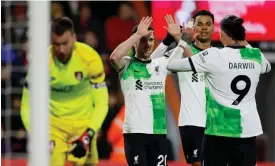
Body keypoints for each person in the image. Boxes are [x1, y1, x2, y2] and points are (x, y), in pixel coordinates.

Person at [166, 15, 271, 166]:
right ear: (241, 35)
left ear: (222, 34)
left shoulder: (214, 55)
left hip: (218, 131)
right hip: (246, 130)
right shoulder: (255, 55)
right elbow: (266, 68)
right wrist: (244, 41)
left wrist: (182, 41)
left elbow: (171, 65)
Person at [20, 17, 109, 166]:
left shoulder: (89, 58)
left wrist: (89, 134)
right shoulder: (41, 62)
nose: (61, 50)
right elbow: (26, 106)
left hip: (84, 126)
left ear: (74, 38)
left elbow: (102, 102)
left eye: (65, 43)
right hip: (54, 127)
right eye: (57, 44)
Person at [109, 15, 181, 166]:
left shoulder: (159, 65)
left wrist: (179, 37)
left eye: (151, 40)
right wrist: (137, 35)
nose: (148, 44)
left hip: (159, 133)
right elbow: (114, 57)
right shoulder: (127, 66)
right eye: (143, 40)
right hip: (135, 134)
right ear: (135, 43)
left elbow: (179, 53)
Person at [152, 10, 215, 166]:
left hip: (216, 122)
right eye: (199, 24)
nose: (204, 28)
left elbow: (199, 63)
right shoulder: (179, 51)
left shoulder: (219, 55)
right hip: (191, 121)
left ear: (214, 27)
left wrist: (180, 39)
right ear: (193, 27)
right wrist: (171, 40)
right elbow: (152, 65)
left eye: (208, 24)